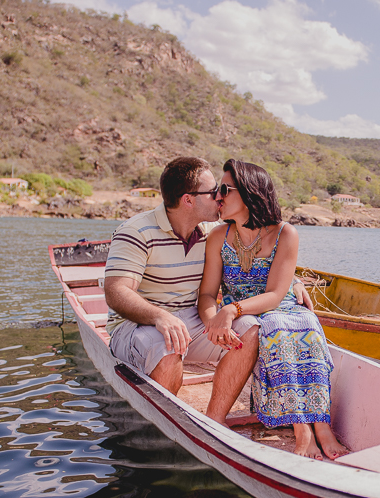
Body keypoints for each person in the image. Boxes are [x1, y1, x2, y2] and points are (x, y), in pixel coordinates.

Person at [198, 159, 348, 460]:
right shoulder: (218, 237)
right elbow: (206, 294)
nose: (218, 197)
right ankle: (303, 429)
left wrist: (231, 311)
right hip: (247, 314)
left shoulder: (285, 233)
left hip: (274, 306)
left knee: (305, 322)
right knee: (276, 327)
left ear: (250, 192)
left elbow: (277, 294)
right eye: (217, 191)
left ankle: (320, 426)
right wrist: (214, 319)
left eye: (225, 190)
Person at [104, 156, 259, 423]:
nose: (220, 198)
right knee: (167, 347)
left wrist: (294, 282)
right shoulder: (136, 231)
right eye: (214, 192)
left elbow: (260, 252)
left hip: (192, 321)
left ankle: (214, 421)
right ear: (188, 200)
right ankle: (165, 425)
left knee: (250, 329)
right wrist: (160, 317)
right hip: (134, 326)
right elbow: (117, 292)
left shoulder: (213, 231)